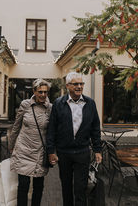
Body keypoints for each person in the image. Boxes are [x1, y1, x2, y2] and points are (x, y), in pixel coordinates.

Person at [46, 71, 102, 206]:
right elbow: (52, 129)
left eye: (81, 83)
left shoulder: (90, 103)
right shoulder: (59, 103)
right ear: (68, 86)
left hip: (82, 152)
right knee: (66, 187)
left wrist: (97, 149)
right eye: (75, 84)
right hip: (64, 153)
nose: (79, 86)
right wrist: (51, 151)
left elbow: (95, 128)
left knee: (80, 188)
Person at [9, 78, 52, 206]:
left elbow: (53, 132)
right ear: (34, 91)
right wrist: (11, 146)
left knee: (39, 186)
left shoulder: (50, 108)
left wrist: (52, 151)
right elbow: (16, 126)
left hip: (40, 151)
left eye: (45, 92)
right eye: (40, 92)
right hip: (23, 149)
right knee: (23, 184)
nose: (43, 95)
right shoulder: (25, 105)